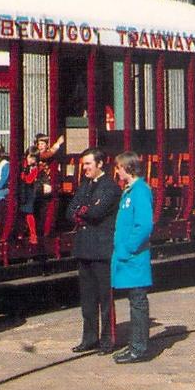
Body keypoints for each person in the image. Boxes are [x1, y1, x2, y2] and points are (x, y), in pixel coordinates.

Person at [67, 147, 120, 354]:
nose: (85, 168)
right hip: (84, 247)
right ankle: (89, 338)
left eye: (88, 164)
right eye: (83, 164)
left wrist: (84, 211)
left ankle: (108, 340)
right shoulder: (85, 185)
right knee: (87, 298)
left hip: (102, 249)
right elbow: (69, 211)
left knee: (105, 298)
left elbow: (97, 212)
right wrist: (84, 211)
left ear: (100, 164)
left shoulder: (111, 187)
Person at [110, 151, 154, 364]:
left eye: (118, 167)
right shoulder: (129, 191)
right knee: (134, 302)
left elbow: (144, 225)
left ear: (127, 168)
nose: (116, 171)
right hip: (129, 258)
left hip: (134, 258)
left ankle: (138, 349)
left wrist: (128, 248)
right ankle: (135, 345)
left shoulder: (139, 191)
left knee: (138, 303)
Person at [17, 147, 45, 247]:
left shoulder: (36, 169)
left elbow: (29, 180)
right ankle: (20, 232)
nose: (31, 160)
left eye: (34, 158)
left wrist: (23, 175)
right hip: (22, 192)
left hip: (30, 193)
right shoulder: (22, 166)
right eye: (30, 157)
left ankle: (33, 234)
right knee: (20, 214)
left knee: (29, 213)